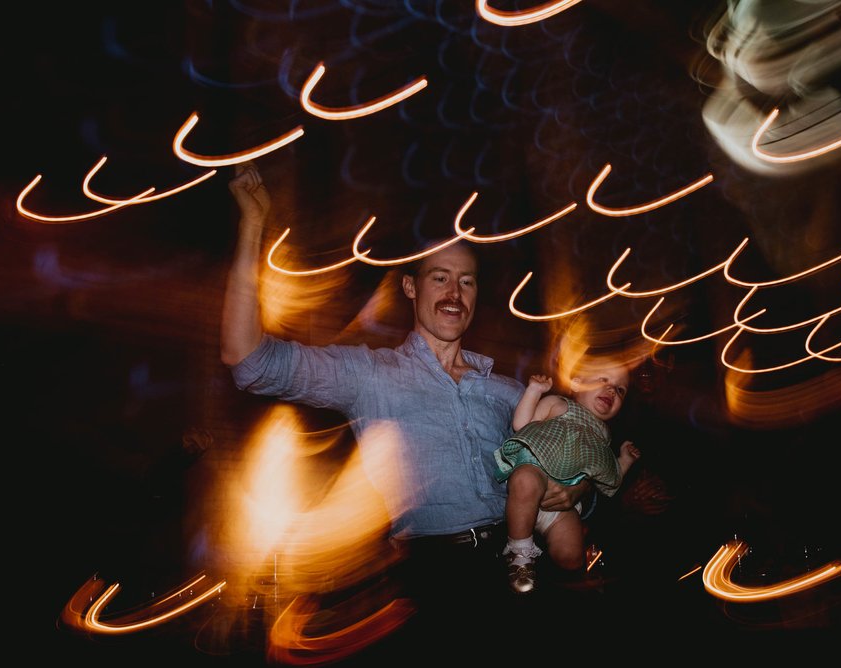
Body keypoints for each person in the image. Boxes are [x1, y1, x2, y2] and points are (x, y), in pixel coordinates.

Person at [220, 162, 592, 634]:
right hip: (435, 578)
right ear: (411, 287)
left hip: (518, 568)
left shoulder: (508, 390)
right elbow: (248, 359)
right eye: (440, 277)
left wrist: (576, 489)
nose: (454, 292)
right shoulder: (371, 374)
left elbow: (571, 467)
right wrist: (253, 224)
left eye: (467, 280)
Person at [493, 362, 641, 594]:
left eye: (620, 390)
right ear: (577, 382)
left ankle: (568, 577)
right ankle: (520, 554)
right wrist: (534, 391)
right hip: (535, 474)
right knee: (525, 480)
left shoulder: (604, 436)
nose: (612, 390)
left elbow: (607, 480)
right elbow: (521, 424)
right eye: (603, 379)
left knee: (572, 556)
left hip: (561, 505)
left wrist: (624, 461)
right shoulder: (558, 404)